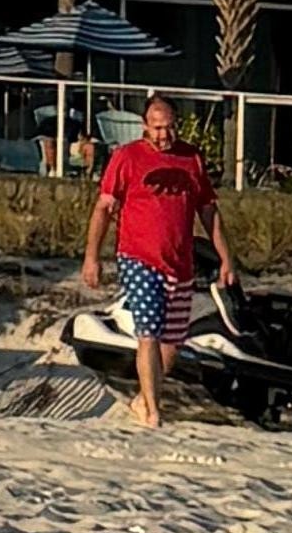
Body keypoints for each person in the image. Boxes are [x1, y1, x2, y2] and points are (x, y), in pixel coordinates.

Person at [82, 91, 234, 424]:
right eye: (157, 127)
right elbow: (104, 208)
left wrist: (226, 259)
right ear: (144, 127)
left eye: (169, 127)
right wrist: (92, 256)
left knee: (172, 340)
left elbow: (209, 211)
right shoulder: (127, 157)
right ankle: (152, 410)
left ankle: (142, 399)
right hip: (137, 256)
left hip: (179, 262)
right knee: (148, 332)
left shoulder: (191, 158)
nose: (163, 135)